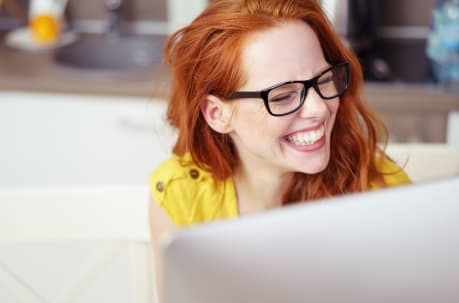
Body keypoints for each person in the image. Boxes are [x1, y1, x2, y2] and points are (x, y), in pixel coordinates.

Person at [148, 0, 411, 300]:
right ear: (217, 114)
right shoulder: (181, 195)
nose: (319, 108)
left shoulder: (379, 189)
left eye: (324, 79)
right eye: (284, 96)